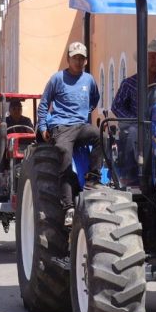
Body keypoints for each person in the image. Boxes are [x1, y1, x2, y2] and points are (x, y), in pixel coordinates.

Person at [37, 41, 102, 224]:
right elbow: (44, 104)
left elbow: (94, 99)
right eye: (75, 58)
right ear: (68, 59)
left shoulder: (89, 80)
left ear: (86, 60)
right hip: (61, 126)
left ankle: (93, 179)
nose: (78, 62)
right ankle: (68, 206)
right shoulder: (57, 79)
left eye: (82, 58)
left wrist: (84, 111)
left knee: (101, 136)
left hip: (81, 126)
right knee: (64, 152)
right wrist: (43, 127)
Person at [111, 40, 156, 181]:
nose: (155, 62)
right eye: (152, 58)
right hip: (136, 123)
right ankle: (130, 176)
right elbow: (116, 106)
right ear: (144, 59)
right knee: (134, 132)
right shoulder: (129, 83)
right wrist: (133, 119)